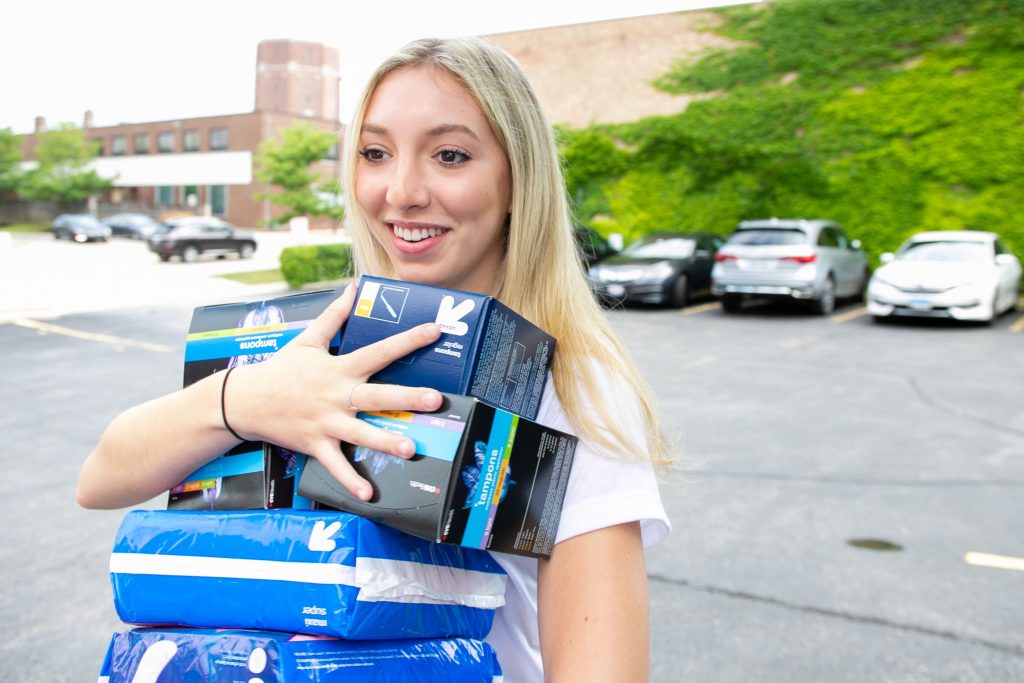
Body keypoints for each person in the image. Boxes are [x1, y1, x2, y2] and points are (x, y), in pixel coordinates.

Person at [78, 36, 671, 682]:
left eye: (450, 155)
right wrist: (244, 400)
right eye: (375, 153)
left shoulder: (570, 386)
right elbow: (100, 480)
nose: (402, 191)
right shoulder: (313, 342)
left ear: (517, 182)